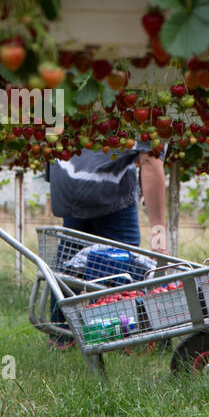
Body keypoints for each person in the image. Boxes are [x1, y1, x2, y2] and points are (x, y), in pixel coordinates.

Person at [45, 141, 167, 345]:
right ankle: (126, 337)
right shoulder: (147, 114)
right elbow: (150, 162)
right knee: (123, 263)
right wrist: (158, 234)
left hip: (67, 179)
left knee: (70, 260)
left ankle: (61, 338)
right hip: (106, 186)